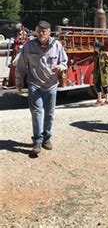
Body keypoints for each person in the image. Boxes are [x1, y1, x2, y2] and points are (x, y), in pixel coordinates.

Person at [15, 20, 68, 155]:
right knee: (37, 113)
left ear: (49, 32)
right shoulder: (28, 46)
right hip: (35, 85)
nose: (41, 33)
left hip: (51, 86)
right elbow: (21, 66)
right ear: (35, 32)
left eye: (44, 31)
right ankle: (37, 141)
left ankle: (46, 139)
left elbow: (64, 61)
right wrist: (19, 82)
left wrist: (60, 67)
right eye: (39, 30)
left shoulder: (57, 45)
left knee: (50, 113)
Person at [92, 41, 108, 106]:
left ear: (99, 47)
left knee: (104, 85)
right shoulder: (95, 55)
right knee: (97, 85)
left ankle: (107, 100)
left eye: (96, 47)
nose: (95, 48)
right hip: (97, 72)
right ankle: (99, 99)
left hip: (103, 72)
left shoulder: (104, 54)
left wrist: (106, 72)